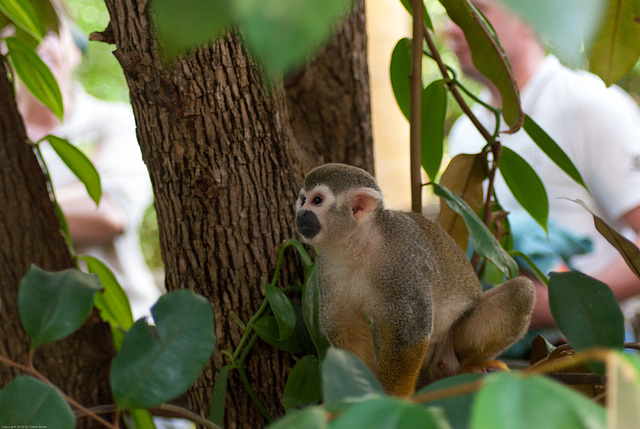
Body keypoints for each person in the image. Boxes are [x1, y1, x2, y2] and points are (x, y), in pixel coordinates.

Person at [445, 0, 640, 330]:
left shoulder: (588, 104)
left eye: (474, 10)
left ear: (528, 17)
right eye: (451, 13)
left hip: (585, 358)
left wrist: (568, 306)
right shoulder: (467, 131)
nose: (451, 27)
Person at [16, 23, 162, 320]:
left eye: (52, 31)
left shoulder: (115, 121)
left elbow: (109, 213)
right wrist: (79, 190)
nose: (42, 44)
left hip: (128, 329)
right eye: (23, 31)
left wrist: (13, 206)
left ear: (76, 50)